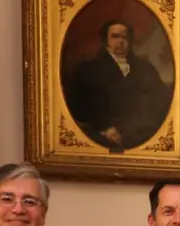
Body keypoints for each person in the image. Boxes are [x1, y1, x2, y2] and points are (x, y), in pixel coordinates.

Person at [65, 19, 172, 151]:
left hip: (141, 134)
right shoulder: (88, 69)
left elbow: (162, 99)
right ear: (105, 40)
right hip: (102, 134)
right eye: (115, 36)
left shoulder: (145, 68)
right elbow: (78, 106)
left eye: (125, 37)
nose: (121, 41)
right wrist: (104, 128)